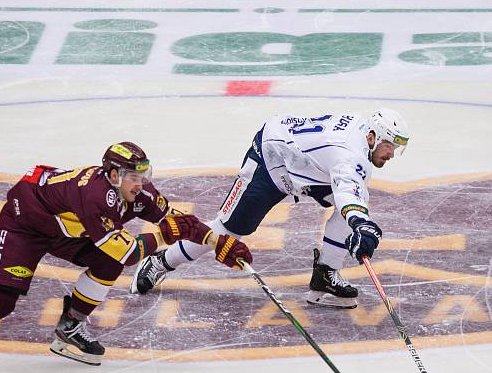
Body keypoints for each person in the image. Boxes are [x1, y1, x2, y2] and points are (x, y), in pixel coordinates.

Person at [0, 142, 252, 373]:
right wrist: (162, 235)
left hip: (64, 228)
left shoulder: (136, 192)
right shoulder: (95, 197)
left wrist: (215, 242)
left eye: (145, 175)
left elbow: (180, 221)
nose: (142, 183)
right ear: (115, 174)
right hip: (24, 225)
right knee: (1, 300)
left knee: (105, 263)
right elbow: (129, 254)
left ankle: (69, 327)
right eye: (135, 176)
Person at [131, 109, 410, 308]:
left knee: (346, 208)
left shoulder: (362, 133)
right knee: (229, 230)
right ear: (372, 137)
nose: (391, 155)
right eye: (390, 147)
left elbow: (351, 188)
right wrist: (361, 224)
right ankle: (161, 261)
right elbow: (349, 184)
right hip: (270, 160)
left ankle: (325, 273)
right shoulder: (350, 156)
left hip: (305, 165)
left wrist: (358, 219)